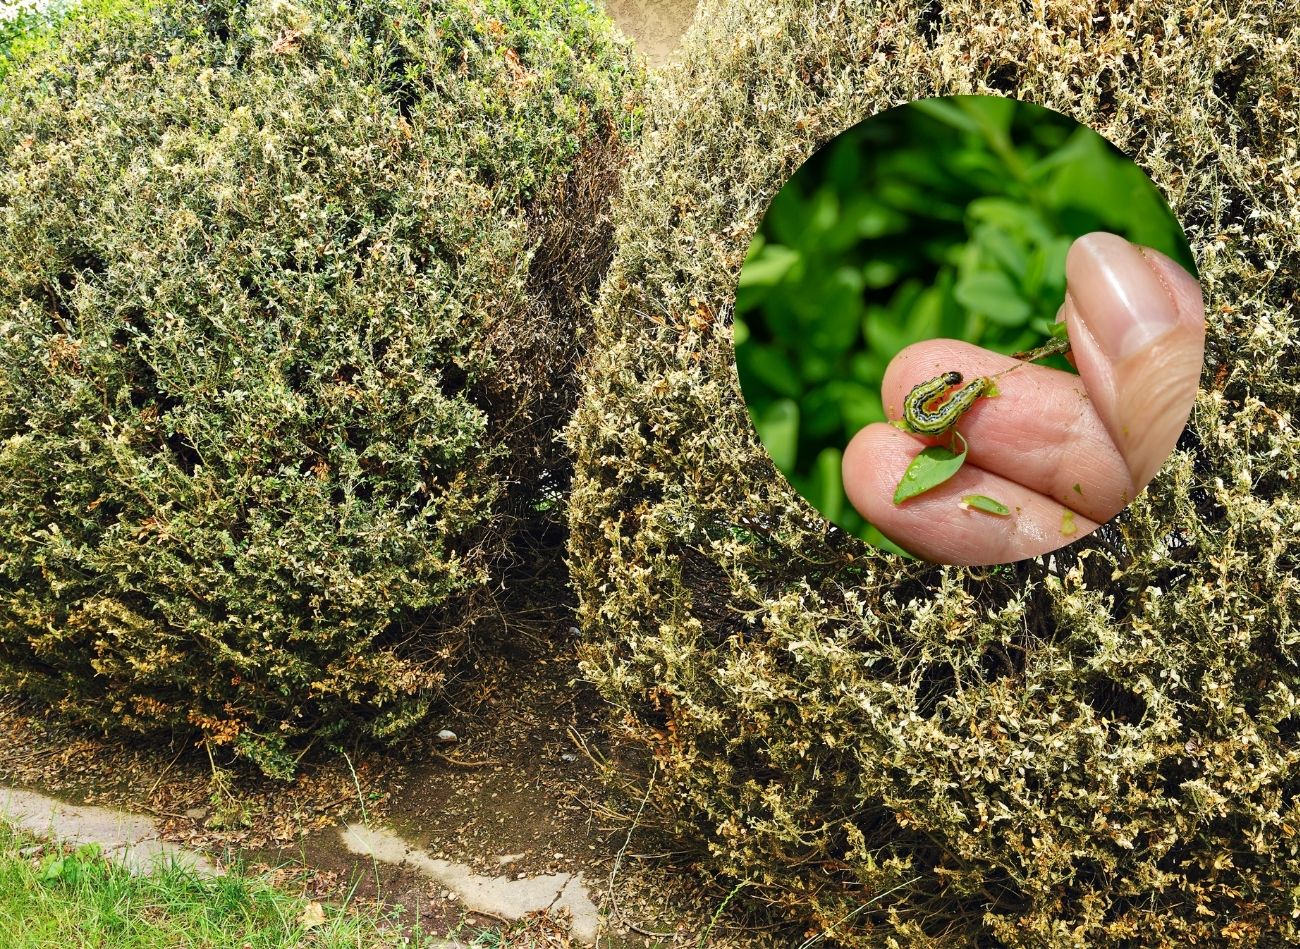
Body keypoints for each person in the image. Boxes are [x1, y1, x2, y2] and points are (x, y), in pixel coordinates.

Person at [842, 232, 1206, 566]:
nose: (950, 387)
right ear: (940, 391)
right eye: (951, 385)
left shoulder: (931, 404)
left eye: (948, 386)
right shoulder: (934, 406)